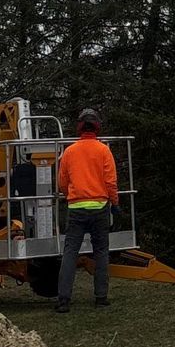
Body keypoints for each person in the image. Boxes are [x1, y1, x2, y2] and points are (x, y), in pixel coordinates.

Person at [54, 108, 118, 312]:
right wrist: (115, 204)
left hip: (76, 208)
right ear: (97, 126)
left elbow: (62, 182)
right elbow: (111, 181)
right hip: (100, 207)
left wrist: (69, 195)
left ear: (80, 126)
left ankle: (63, 300)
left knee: (70, 253)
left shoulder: (69, 152)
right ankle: (101, 298)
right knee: (101, 253)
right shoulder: (103, 150)